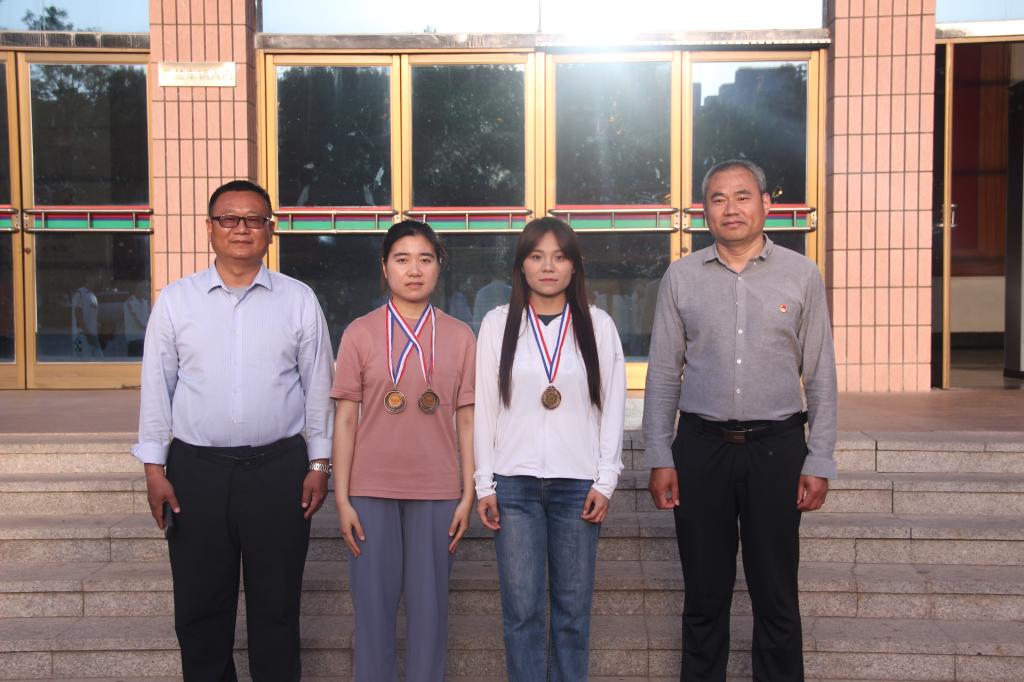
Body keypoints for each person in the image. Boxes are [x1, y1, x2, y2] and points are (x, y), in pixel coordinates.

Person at [132, 179, 335, 681]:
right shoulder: (176, 301)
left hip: (279, 469)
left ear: (270, 230)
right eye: (229, 218)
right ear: (210, 228)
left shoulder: (298, 300)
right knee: (200, 608)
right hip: (197, 473)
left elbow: (318, 387)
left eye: (253, 219)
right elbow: (157, 386)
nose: (241, 228)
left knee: (277, 606)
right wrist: (154, 468)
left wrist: (319, 463)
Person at [643, 159, 837, 681]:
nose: (731, 208)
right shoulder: (681, 277)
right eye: (718, 198)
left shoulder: (801, 274)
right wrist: (660, 455)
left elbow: (820, 373)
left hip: (778, 449)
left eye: (742, 196)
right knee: (704, 597)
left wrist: (819, 458)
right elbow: (663, 374)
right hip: (701, 449)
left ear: (766, 204)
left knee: (776, 597)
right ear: (704, 211)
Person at [475, 216, 626, 681]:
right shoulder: (497, 323)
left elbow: (612, 405)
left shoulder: (598, 325)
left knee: (572, 614)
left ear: (574, 267)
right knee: (521, 612)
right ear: (521, 266)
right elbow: (485, 407)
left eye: (559, 257)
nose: (547, 267)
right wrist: (484, 483)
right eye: (537, 256)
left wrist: (606, 479)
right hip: (514, 486)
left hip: (577, 486)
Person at [331, 219, 476, 682]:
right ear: (384, 268)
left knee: (430, 615)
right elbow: (346, 419)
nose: (414, 270)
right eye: (402, 259)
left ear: (439, 267)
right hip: (370, 490)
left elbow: (468, 420)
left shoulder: (460, 336)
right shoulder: (359, 333)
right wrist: (342, 499)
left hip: (437, 491)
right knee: (373, 615)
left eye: (425, 259)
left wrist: (468, 494)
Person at [71, 272, 102, 358]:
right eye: (95, 277)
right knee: (82, 362)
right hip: (80, 337)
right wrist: (87, 333)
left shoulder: (93, 296)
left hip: (93, 336)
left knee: (99, 360)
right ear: (88, 278)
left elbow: (92, 317)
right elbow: (78, 314)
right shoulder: (79, 293)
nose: (97, 280)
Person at [122, 280, 150, 357]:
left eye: (143, 288)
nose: (142, 290)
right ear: (134, 289)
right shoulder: (130, 302)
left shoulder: (144, 302)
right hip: (134, 339)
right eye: (139, 288)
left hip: (144, 339)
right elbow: (141, 322)